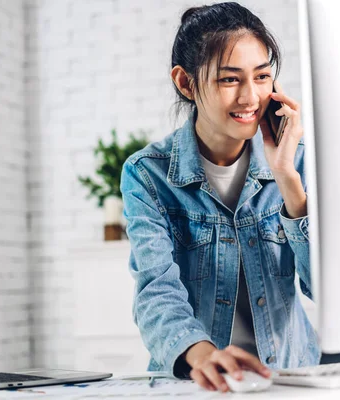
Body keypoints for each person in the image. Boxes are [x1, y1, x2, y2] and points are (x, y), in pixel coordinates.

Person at [120, 2, 318, 392]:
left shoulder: (296, 160)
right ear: (186, 83)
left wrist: (287, 180)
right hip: (197, 381)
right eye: (230, 80)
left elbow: (323, 287)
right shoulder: (148, 174)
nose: (250, 97)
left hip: (289, 380)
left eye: (262, 77)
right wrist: (204, 354)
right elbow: (156, 291)